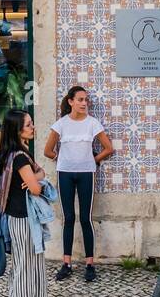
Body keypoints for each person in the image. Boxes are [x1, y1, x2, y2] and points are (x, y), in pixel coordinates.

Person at [44, 86, 115, 283]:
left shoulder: (93, 123)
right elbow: (47, 151)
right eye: (81, 99)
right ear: (71, 102)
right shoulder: (61, 124)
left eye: (86, 100)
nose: (84, 103)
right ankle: (66, 263)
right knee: (68, 218)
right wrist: (61, 158)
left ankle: (90, 264)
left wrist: (94, 159)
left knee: (85, 218)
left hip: (86, 174)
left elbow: (108, 148)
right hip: (65, 174)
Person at [0, 109, 50, 297]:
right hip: (23, 219)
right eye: (29, 125)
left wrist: (37, 176)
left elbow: (39, 174)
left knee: (20, 267)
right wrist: (38, 178)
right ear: (18, 130)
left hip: (16, 218)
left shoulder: (12, 153)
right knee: (24, 269)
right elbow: (37, 187)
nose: (33, 127)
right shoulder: (20, 156)